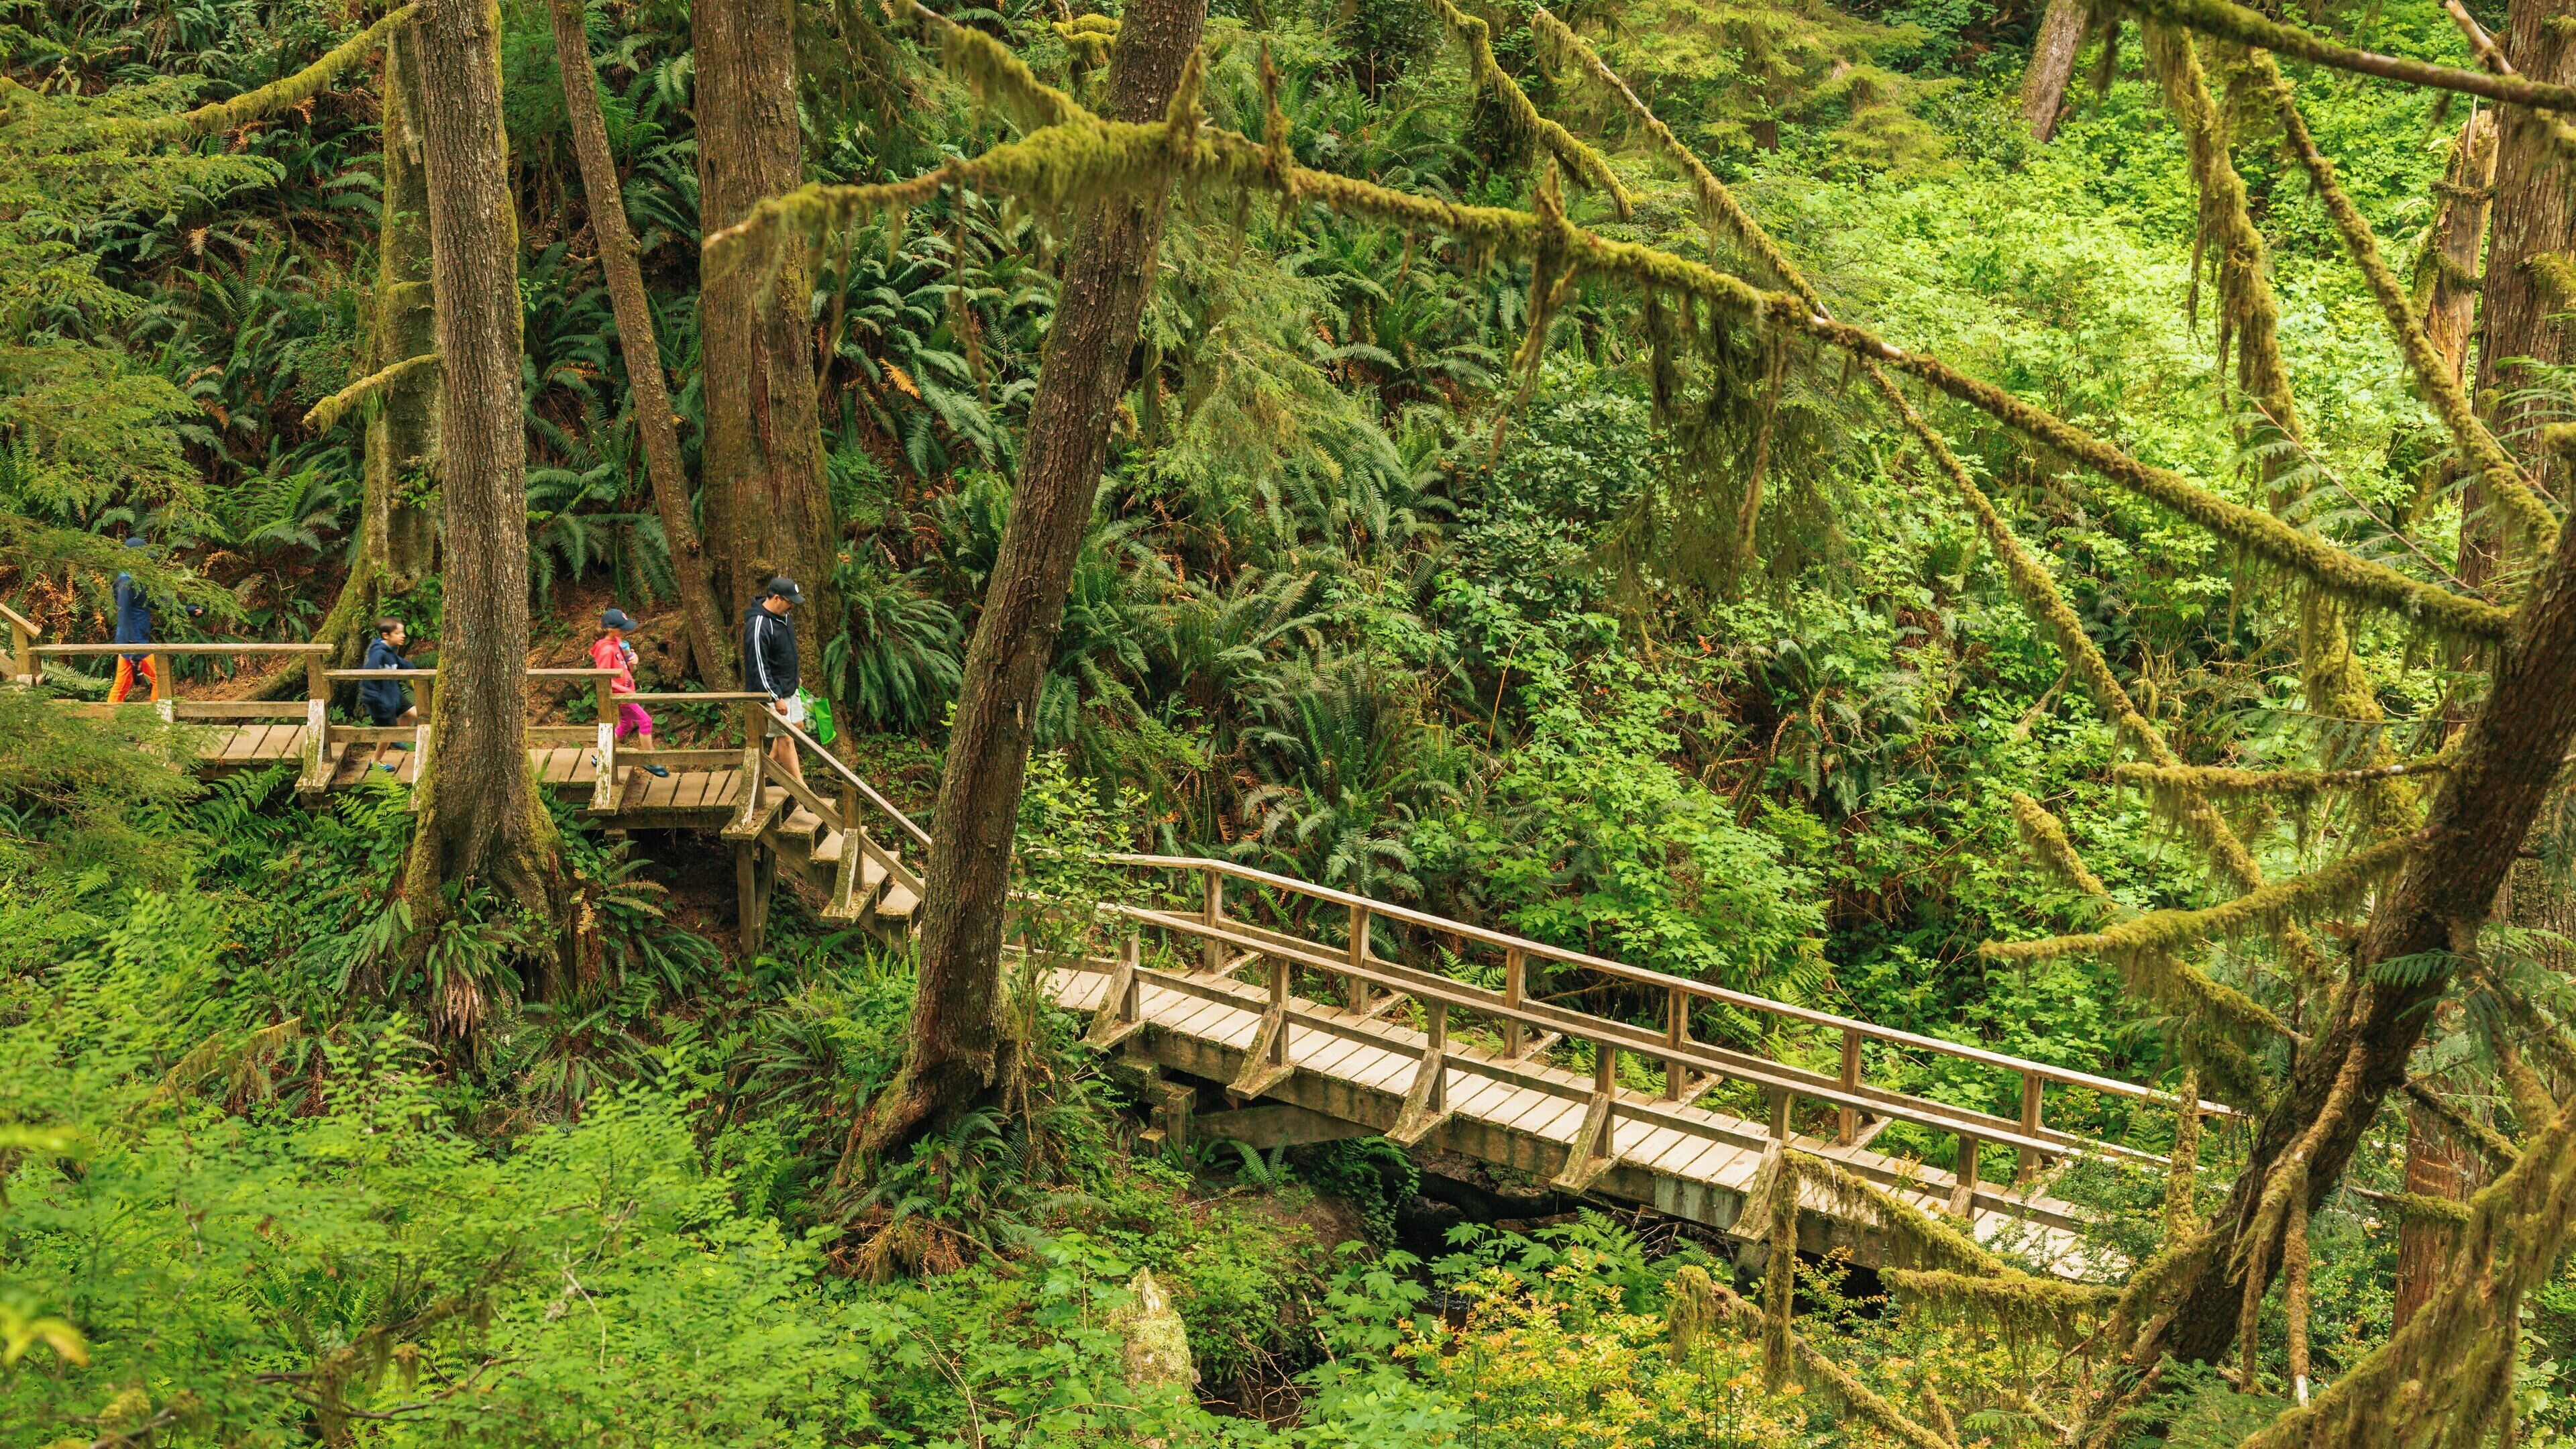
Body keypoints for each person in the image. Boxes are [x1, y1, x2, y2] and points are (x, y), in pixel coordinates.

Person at [107, 537, 199, 702]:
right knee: (161, 679)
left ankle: (108, 721)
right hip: (134, 644)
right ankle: (158, 718)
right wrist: (135, 652)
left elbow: (159, 603)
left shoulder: (137, 581)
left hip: (135, 643)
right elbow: (124, 616)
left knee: (121, 686)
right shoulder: (125, 583)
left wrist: (189, 610)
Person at [590, 608, 667, 777]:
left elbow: (624, 666)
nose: (625, 630)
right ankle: (650, 760)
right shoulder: (605, 650)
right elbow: (603, 678)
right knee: (645, 721)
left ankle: (599, 756)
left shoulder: (616, 642)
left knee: (626, 725)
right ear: (611, 629)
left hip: (626, 692)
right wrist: (625, 691)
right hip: (620, 696)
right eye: (621, 627)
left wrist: (634, 660)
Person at [741, 577, 803, 774]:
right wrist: (775, 697)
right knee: (786, 739)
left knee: (798, 727)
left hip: (789, 686)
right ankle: (803, 792)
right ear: (777, 598)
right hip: (772, 692)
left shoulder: (784, 617)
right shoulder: (758, 625)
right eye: (790, 602)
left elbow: (787, 651)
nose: (792, 606)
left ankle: (763, 770)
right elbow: (758, 665)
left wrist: (795, 676)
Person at [361, 618, 425, 730]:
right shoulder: (378, 654)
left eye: (403, 632)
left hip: (394, 696)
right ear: (386, 635)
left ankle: (396, 736)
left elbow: (403, 664)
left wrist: (416, 672)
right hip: (382, 701)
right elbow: (368, 676)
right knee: (387, 734)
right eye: (398, 633)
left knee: (416, 714)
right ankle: (395, 738)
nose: (403, 635)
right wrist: (376, 699)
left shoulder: (390, 653)